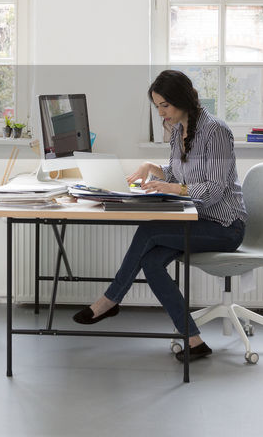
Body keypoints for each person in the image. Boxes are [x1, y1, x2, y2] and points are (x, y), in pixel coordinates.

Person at [71, 69, 246, 362]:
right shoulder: (178, 130)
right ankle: (193, 341)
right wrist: (151, 168)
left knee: (150, 230)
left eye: (165, 105)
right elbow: (175, 174)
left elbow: (214, 190)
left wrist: (174, 188)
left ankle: (110, 299)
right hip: (195, 219)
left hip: (224, 226)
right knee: (152, 264)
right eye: (157, 106)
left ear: (182, 100)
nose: (161, 112)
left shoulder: (216, 132)